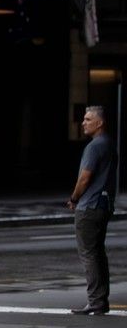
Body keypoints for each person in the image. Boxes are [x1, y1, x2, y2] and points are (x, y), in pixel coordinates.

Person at [67, 106, 117, 315]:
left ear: (100, 123)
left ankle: (96, 300)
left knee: (89, 254)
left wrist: (74, 198)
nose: (84, 122)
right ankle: (100, 299)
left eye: (88, 119)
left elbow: (85, 177)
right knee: (97, 254)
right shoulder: (108, 144)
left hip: (90, 205)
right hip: (103, 204)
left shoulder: (95, 146)